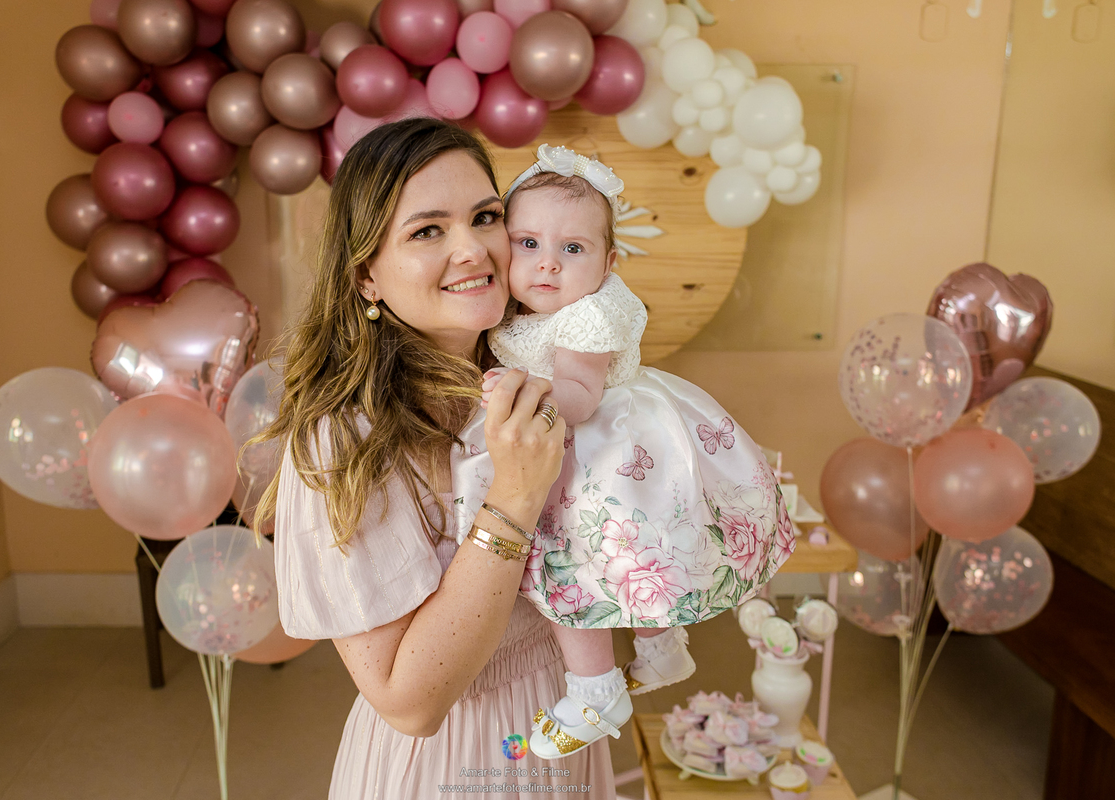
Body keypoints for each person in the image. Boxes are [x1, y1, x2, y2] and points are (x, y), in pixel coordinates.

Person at [253, 119, 615, 798]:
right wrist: (512, 499)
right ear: (366, 275)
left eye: (485, 217)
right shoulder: (344, 439)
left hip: (561, 729)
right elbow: (409, 702)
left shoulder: (535, 376)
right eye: (427, 231)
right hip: (456, 763)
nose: (474, 250)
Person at [452, 144, 796, 760]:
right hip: (597, 446)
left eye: (573, 250)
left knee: (572, 564)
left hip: (601, 447)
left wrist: (521, 387)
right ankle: (663, 650)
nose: (547, 265)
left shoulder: (589, 315)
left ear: (608, 263)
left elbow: (580, 397)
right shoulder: (522, 306)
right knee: (634, 562)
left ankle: (594, 689)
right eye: (527, 244)